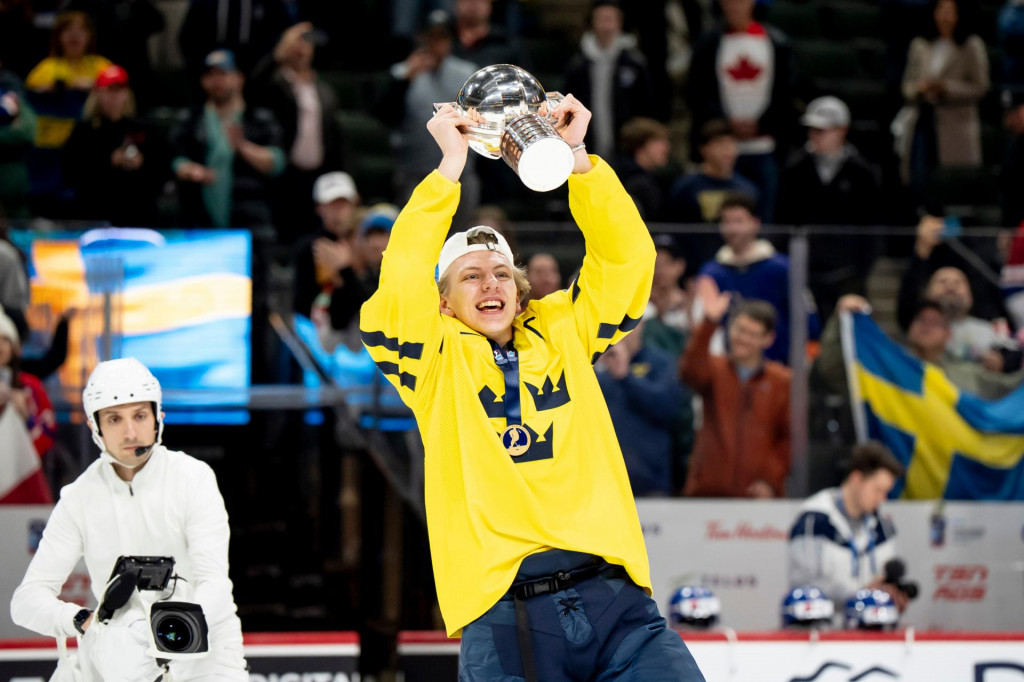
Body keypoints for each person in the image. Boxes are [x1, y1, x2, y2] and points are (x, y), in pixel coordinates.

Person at [360, 97, 705, 680]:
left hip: (617, 605)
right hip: (503, 615)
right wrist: (448, 168)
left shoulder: (565, 328)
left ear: (522, 294)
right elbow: (397, 289)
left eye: (500, 273)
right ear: (442, 302)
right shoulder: (432, 361)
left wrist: (577, 158)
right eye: (469, 276)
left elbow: (627, 261)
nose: (489, 283)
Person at [10, 357, 248, 681]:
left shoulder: (194, 478)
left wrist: (175, 629)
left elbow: (214, 582)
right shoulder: (79, 497)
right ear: (95, 427)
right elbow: (25, 601)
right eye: (115, 419)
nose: (130, 432)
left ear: (157, 418)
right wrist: (82, 620)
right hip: (119, 656)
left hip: (204, 654)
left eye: (139, 415)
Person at [679, 277, 791, 498]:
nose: (743, 339)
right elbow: (690, 372)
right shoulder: (716, 368)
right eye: (740, 330)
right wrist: (709, 322)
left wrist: (770, 480)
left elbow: (788, 439)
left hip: (757, 496)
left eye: (753, 334)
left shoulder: (781, 380)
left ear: (768, 339)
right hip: (708, 491)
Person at [685, 0, 796, 222]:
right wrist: (726, 126)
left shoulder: (775, 42)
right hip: (722, 145)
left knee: (764, 216)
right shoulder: (709, 43)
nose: (735, 6)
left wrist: (762, 124)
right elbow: (698, 90)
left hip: (763, 145)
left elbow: (786, 92)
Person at [776, 96, 882, 321]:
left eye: (821, 130)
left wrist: (859, 273)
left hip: (846, 274)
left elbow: (871, 228)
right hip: (804, 271)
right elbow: (782, 222)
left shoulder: (862, 174)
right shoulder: (794, 170)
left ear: (841, 130)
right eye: (811, 130)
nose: (814, 136)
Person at [817, 295, 1024, 401]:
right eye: (920, 320)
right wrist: (839, 321)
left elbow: (1012, 389)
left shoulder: (969, 375)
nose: (926, 326)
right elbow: (833, 372)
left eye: (935, 322)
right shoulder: (887, 370)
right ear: (909, 329)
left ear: (948, 334)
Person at [250, 21, 345, 243]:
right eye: (297, 44)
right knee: (283, 236)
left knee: (312, 240)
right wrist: (277, 55)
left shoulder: (323, 89)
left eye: (307, 44)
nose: (302, 50)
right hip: (285, 177)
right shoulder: (276, 85)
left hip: (318, 176)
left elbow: (337, 138)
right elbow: (253, 88)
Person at [171, 49, 285, 233]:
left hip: (251, 224)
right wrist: (191, 171)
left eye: (223, 74)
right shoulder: (190, 119)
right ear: (203, 81)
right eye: (210, 75)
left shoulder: (259, 119)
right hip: (199, 223)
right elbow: (176, 160)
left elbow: (277, 163)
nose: (217, 81)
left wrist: (243, 147)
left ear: (239, 78)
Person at [373, 13, 479, 211]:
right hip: (414, 171)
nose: (436, 43)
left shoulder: (467, 74)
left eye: (442, 37)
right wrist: (405, 79)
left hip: (461, 173)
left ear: (450, 40)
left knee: (459, 236)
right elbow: (384, 117)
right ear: (421, 38)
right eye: (431, 37)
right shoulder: (401, 72)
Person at [788, 442, 908, 614]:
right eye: (878, 490)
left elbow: (885, 586)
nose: (882, 499)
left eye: (886, 492)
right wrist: (860, 595)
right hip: (822, 635)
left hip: (869, 633)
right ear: (857, 478)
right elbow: (802, 589)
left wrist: (891, 598)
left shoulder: (883, 529)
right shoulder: (814, 520)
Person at [699, 192, 809, 364]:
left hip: (779, 366)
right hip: (729, 370)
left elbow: (806, 318)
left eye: (739, 221)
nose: (732, 228)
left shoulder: (781, 267)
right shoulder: (712, 272)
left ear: (755, 223)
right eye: (726, 221)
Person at [898, 0, 989, 202]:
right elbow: (907, 85)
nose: (945, 16)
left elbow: (980, 86)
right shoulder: (920, 45)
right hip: (923, 119)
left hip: (956, 124)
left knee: (951, 186)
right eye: (940, 10)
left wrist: (946, 88)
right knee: (919, 177)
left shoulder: (971, 45)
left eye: (950, 11)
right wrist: (919, 89)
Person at [63, 64, 164, 226]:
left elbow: (162, 170)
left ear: (127, 94)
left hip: (140, 215)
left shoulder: (144, 129)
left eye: (119, 91)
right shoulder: (84, 132)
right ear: (97, 95)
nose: (114, 97)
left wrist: (142, 162)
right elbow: (69, 173)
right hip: (96, 214)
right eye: (109, 91)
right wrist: (108, 161)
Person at [597, 319, 684, 497]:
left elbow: (668, 407)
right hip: (605, 484)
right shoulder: (596, 364)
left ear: (641, 324)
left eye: (626, 323)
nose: (620, 330)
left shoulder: (661, 362)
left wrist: (626, 376)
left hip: (650, 483)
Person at [563, 0, 656, 161]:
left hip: (627, 144)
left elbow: (645, 103)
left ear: (620, 23)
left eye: (611, 19)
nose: (606, 26)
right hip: (588, 139)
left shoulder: (634, 62)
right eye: (601, 19)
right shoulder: (578, 64)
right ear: (592, 22)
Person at [25, 10, 111, 150]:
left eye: (81, 29)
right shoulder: (46, 67)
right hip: (48, 145)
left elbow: (119, 91)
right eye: (68, 29)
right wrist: (67, 85)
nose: (74, 35)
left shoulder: (101, 65)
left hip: (91, 143)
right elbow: (30, 95)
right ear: (58, 36)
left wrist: (96, 85)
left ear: (89, 36)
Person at [0, 306, 55, 459]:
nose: (0, 346)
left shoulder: (31, 386)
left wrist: (26, 418)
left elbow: (48, 434)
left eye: (5, 339)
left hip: (20, 470)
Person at [614, 116, 671, 220]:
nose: (666, 147)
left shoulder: (652, 179)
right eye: (659, 141)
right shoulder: (635, 183)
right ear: (641, 144)